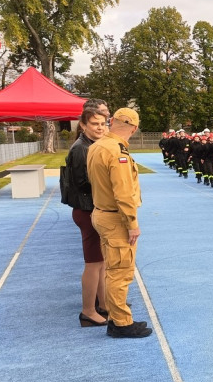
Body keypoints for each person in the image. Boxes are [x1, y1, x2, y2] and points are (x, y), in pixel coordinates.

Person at [86, 107, 152, 339]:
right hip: (115, 217)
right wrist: (132, 223)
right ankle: (121, 323)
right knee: (121, 272)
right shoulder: (117, 152)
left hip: (102, 212)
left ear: (112, 121)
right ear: (134, 129)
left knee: (113, 269)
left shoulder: (97, 146)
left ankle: (117, 316)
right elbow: (123, 193)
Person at [62, 102, 110, 327]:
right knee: (93, 264)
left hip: (91, 208)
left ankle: (102, 304)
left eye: (103, 123)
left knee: (99, 263)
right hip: (87, 209)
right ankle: (88, 311)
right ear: (83, 125)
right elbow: (83, 183)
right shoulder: (82, 148)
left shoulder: (90, 144)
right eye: (95, 124)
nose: (100, 127)